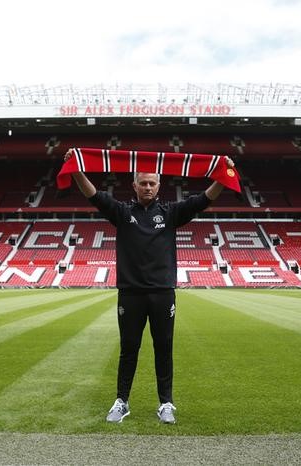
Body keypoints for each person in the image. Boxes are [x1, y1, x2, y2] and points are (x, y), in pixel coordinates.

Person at [63, 148, 235, 424]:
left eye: (151, 183)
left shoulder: (170, 213)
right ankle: (122, 401)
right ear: (134, 186)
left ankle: (166, 403)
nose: (147, 187)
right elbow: (92, 195)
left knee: (163, 348)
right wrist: (75, 169)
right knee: (128, 348)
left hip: (162, 293)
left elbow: (204, 199)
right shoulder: (121, 212)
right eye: (142, 183)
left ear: (159, 185)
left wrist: (224, 174)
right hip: (130, 293)